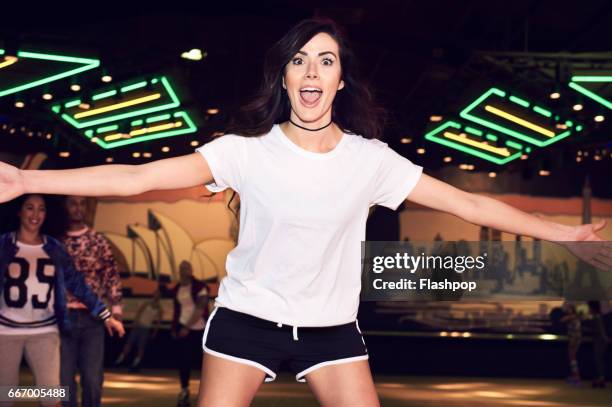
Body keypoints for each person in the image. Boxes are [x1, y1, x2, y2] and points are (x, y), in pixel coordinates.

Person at [0, 18, 610, 407]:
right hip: (246, 320)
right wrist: (27, 177)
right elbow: (136, 179)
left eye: (326, 60)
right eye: (300, 60)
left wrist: (565, 232)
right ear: (286, 79)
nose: (312, 70)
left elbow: (469, 201)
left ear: (341, 79)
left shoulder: (370, 161)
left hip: (332, 331)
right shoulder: (243, 153)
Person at [0, 194, 124, 407]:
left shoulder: (54, 247)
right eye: (30, 208)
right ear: (20, 212)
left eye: (41, 209)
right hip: (6, 331)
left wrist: (108, 315)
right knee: (7, 395)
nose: (35, 214)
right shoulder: (4, 244)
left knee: (55, 395)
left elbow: (79, 284)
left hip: (46, 331)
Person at [59, 196, 123, 407]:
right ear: (65, 207)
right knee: (63, 381)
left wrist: (116, 309)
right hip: (61, 319)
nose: (78, 208)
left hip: (93, 319)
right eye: (72, 203)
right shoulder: (56, 241)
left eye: (82, 203)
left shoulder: (97, 241)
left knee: (93, 380)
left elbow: (111, 275)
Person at [171, 261, 209, 406]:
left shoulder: (200, 286)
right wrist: (176, 328)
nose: (184, 270)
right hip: (183, 329)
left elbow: (200, 308)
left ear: (191, 270)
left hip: (199, 329)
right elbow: (177, 310)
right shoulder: (177, 289)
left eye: (187, 267)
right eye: (181, 268)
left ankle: (206, 393)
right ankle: (184, 391)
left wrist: (187, 326)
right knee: (183, 361)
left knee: (203, 363)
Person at [114, 288, 163, 371]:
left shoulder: (159, 309)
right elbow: (139, 313)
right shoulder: (146, 304)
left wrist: (155, 331)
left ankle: (136, 363)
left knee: (141, 346)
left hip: (146, 328)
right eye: (155, 294)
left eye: (158, 295)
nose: (156, 296)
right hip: (138, 326)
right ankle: (120, 359)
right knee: (129, 342)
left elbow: (158, 321)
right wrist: (135, 322)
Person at [586, 300, 608, 388]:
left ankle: (601, 378)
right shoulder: (596, 316)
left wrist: (604, 337)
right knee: (598, 359)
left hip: (600, 340)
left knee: (598, 359)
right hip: (599, 339)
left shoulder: (597, 316)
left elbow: (601, 329)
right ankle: (600, 378)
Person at [560, 303, 582, 384]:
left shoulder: (573, 317)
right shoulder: (575, 317)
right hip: (575, 337)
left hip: (574, 338)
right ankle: (575, 376)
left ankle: (576, 377)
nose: (567, 310)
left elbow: (563, 320)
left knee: (572, 357)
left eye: (568, 308)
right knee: (572, 357)